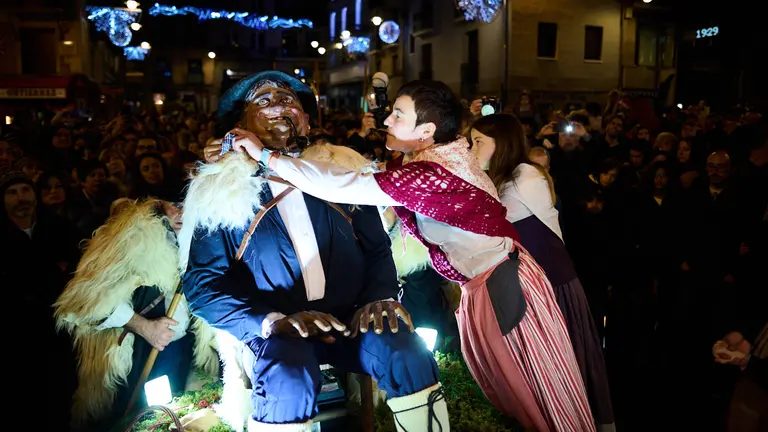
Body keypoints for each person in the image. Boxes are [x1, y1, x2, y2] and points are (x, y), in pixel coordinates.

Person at [214, 79, 594, 431]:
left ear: (426, 131)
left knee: (532, 384)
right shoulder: (435, 155)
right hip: (480, 283)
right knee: (513, 384)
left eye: (398, 115)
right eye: (264, 101)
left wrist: (265, 155)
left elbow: (351, 191)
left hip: (501, 283)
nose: (387, 119)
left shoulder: (434, 172)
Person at [184, 71, 447, 432]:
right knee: (286, 378)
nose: (279, 105)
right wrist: (270, 322)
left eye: (289, 100)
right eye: (263, 101)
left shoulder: (338, 171)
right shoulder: (220, 188)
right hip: (278, 331)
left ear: (307, 121)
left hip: (353, 320)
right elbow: (202, 284)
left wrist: (379, 296)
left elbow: (377, 250)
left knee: (408, 353)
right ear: (240, 125)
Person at [470, 113, 614, 431]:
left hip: (550, 282)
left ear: (502, 143)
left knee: (564, 365)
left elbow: (550, 229)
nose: (472, 147)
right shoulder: (495, 177)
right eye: (472, 140)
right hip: (522, 287)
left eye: (479, 140)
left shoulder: (525, 176)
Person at [54, 199, 219, 431]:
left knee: (176, 419)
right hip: (139, 357)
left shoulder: (201, 241)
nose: (181, 212)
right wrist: (144, 327)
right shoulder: (134, 238)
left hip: (185, 354)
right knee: (138, 421)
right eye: (175, 205)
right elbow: (82, 303)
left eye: (187, 205)